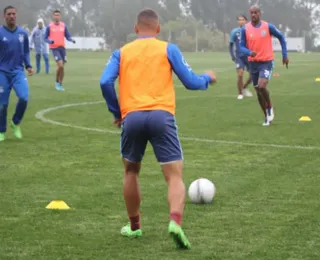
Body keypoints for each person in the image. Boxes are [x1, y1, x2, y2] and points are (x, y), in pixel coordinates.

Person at [100, 9, 216, 249]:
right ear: (158, 28)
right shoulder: (167, 49)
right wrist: (207, 78)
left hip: (131, 117)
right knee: (174, 175)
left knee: (131, 171)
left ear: (135, 28)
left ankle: (134, 227)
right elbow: (191, 81)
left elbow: (104, 81)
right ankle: (175, 221)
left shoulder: (121, 52)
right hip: (162, 116)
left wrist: (116, 111)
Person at [240, 5, 289, 126]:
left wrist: (284, 54)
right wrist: (249, 52)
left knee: (262, 86)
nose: (253, 15)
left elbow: (281, 37)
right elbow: (241, 46)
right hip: (253, 63)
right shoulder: (245, 29)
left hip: (266, 62)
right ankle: (267, 117)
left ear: (260, 13)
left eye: (255, 13)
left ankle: (270, 106)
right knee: (258, 91)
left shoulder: (268, 26)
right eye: (251, 13)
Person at [0, 6, 34, 142]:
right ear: (4, 16)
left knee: (24, 97)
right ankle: (1, 131)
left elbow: (25, 51)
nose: (12, 16)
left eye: (14, 14)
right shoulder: (0, 32)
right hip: (2, 73)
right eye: (9, 14)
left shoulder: (22, 33)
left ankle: (15, 122)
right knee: (2, 104)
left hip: (18, 72)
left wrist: (29, 65)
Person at [44, 10, 75, 91]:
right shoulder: (49, 26)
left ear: (60, 16)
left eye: (58, 15)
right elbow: (45, 38)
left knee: (61, 67)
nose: (57, 16)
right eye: (55, 15)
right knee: (60, 65)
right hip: (54, 48)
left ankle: (60, 84)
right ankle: (57, 83)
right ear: (53, 16)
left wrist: (71, 39)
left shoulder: (63, 26)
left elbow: (67, 36)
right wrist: (50, 41)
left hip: (62, 48)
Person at [229, 15, 253, 100]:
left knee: (252, 76)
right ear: (237, 22)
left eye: (243, 20)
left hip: (249, 56)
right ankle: (240, 93)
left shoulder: (250, 31)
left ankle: (244, 87)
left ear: (246, 21)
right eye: (239, 20)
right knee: (240, 74)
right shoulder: (234, 32)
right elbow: (231, 45)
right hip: (239, 57)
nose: (241, 21)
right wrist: (232, 56)